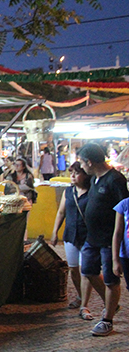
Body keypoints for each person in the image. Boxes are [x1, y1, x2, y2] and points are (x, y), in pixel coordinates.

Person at [78, 143, 129, 336]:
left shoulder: (115, 180)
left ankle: (107, 320)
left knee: (111, 279)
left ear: (90, 162)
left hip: (109, 239)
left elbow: (124, 209)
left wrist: (119, 244)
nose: (82, 166)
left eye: (82, 163)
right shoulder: (94, 179)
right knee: (88, 271)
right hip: (92, 238)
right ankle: (111, 304)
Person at [50, 162, 90, 313]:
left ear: (85, 175)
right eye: (71, 173)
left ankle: (84, 304)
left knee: (86, 270)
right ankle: (80, 296)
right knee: (73, 269)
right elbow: (61, 212)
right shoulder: (68, 192)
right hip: (71, 234)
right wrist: (55, 231)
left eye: (76, 173)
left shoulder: (92, 192)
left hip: (87, 235)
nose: (72, 176)